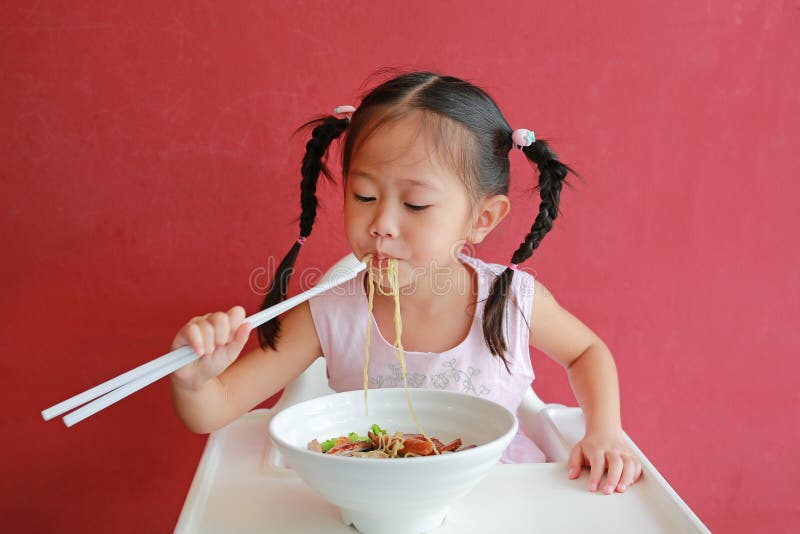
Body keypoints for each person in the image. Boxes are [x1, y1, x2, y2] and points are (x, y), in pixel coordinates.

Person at [169, 70, 643, 495]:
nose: (382, 224)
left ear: (481, 218)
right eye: (364, 195)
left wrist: (604, 430)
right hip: (371, 502)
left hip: (499, 497)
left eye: (415, 205)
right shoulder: (327, 313)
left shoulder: (512, 302)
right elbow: (215, 408)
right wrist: (195, 381)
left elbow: (587, 353)